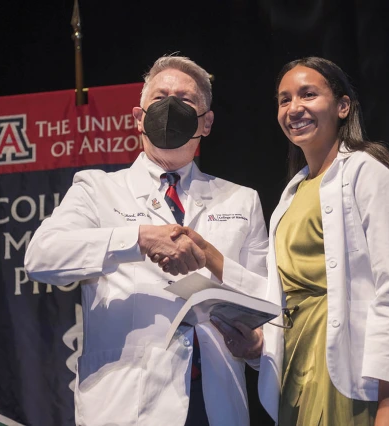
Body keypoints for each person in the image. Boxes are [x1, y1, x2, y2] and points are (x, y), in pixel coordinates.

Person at [24, 54, 268, 426]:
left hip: (217, 404)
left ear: (207, 123)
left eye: (186, 100)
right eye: (159, 97)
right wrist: (137, 239)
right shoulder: (97, 189)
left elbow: (265, 301)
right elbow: (41, 257)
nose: (171, 106)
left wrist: (256, 347)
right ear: (138, 117)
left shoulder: (241, 199)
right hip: (127, 405)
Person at [254, 57, 389, 425]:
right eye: (284, 99)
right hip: (295, 362)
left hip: (349, 368)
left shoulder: (367, 172)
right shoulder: (291, 193)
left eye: (308, 94)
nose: (294, 108)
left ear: (342, 106)